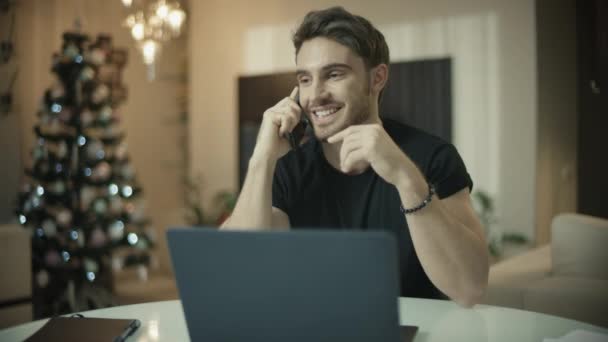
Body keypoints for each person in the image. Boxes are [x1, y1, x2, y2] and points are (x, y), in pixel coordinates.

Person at [221, 6, 488, 307]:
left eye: (333, 74)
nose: (315, 95)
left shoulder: (432, 157)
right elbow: (235, 270)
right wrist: (262, 157)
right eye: (305, 80)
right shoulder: (290, 169)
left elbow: (470, 288)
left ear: (377, 78)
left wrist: (404, 176)